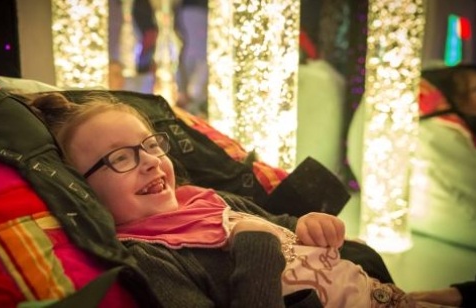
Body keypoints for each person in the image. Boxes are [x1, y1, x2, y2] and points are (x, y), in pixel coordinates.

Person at [29, 91, 417, 307]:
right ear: (81, 190)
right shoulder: (148, 257)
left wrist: (304, 225)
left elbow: (278, 223)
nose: (148, 161)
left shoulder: (205, 198)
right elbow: (261, 238)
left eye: (149, 145)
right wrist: (255, 247)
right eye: (120, 158)